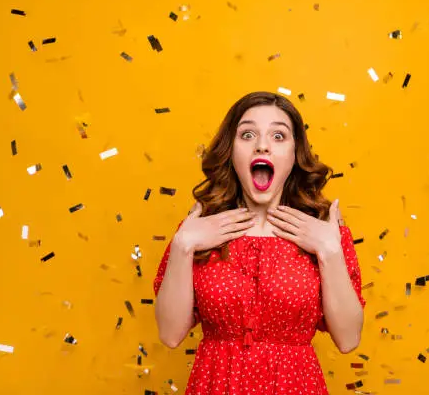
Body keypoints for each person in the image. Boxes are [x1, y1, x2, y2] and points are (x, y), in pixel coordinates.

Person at [154, 91, 366, 394]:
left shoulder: (326, 233)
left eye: (279, 136)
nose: (262, 145)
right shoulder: (196, 232)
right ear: (231, 151)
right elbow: (170, 335)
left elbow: (348, 339)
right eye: (248, 134)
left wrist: (329, 252)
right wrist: (183, 245)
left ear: (295, 155)